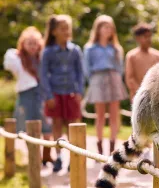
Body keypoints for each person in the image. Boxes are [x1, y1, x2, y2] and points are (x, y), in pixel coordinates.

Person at [3, 26, 53, 165]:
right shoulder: (18, 59)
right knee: (27, 126)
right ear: (23, 44)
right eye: (29, 43)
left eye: (35, 43)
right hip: (26, 95)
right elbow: (8, 62)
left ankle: (46, 155)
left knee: (46, 126)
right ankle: (34, 157)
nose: (32, 46)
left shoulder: (43, 59)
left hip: (41, 95)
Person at [41, 15, 84, 172]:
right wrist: (48, 95)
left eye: (68, 28)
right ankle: (59, 156)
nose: (66, 31)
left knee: (72, 125)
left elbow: (80, 72)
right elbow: (43, 75)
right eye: (62, 28)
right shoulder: (48, 52)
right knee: (57, 125)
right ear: (54, 32)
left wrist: (79, 91)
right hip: (55, 94)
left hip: (71, 93)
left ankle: (74, 157)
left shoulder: (75, 50)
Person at [83, 15, 128, 155]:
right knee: (100, 115)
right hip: (97, 78)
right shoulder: (90, 48)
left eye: (110, 27)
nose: (108, 30)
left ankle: (112, 147)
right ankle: (99, 146)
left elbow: (120, 68)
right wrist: (94, 81)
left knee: (114, 114)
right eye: (105, 27)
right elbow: (86, 68)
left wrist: (116, 79)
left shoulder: (116, 48)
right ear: (98, 29)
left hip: (113, 78)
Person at [125, 23, 159, 101]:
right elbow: (130, 78)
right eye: (145, 37)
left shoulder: (157, 55)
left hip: (155, 97)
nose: (148, 39)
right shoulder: (131, 56)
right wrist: (142, 92)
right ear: (137, 38)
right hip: (137, 97)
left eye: (150, 36)